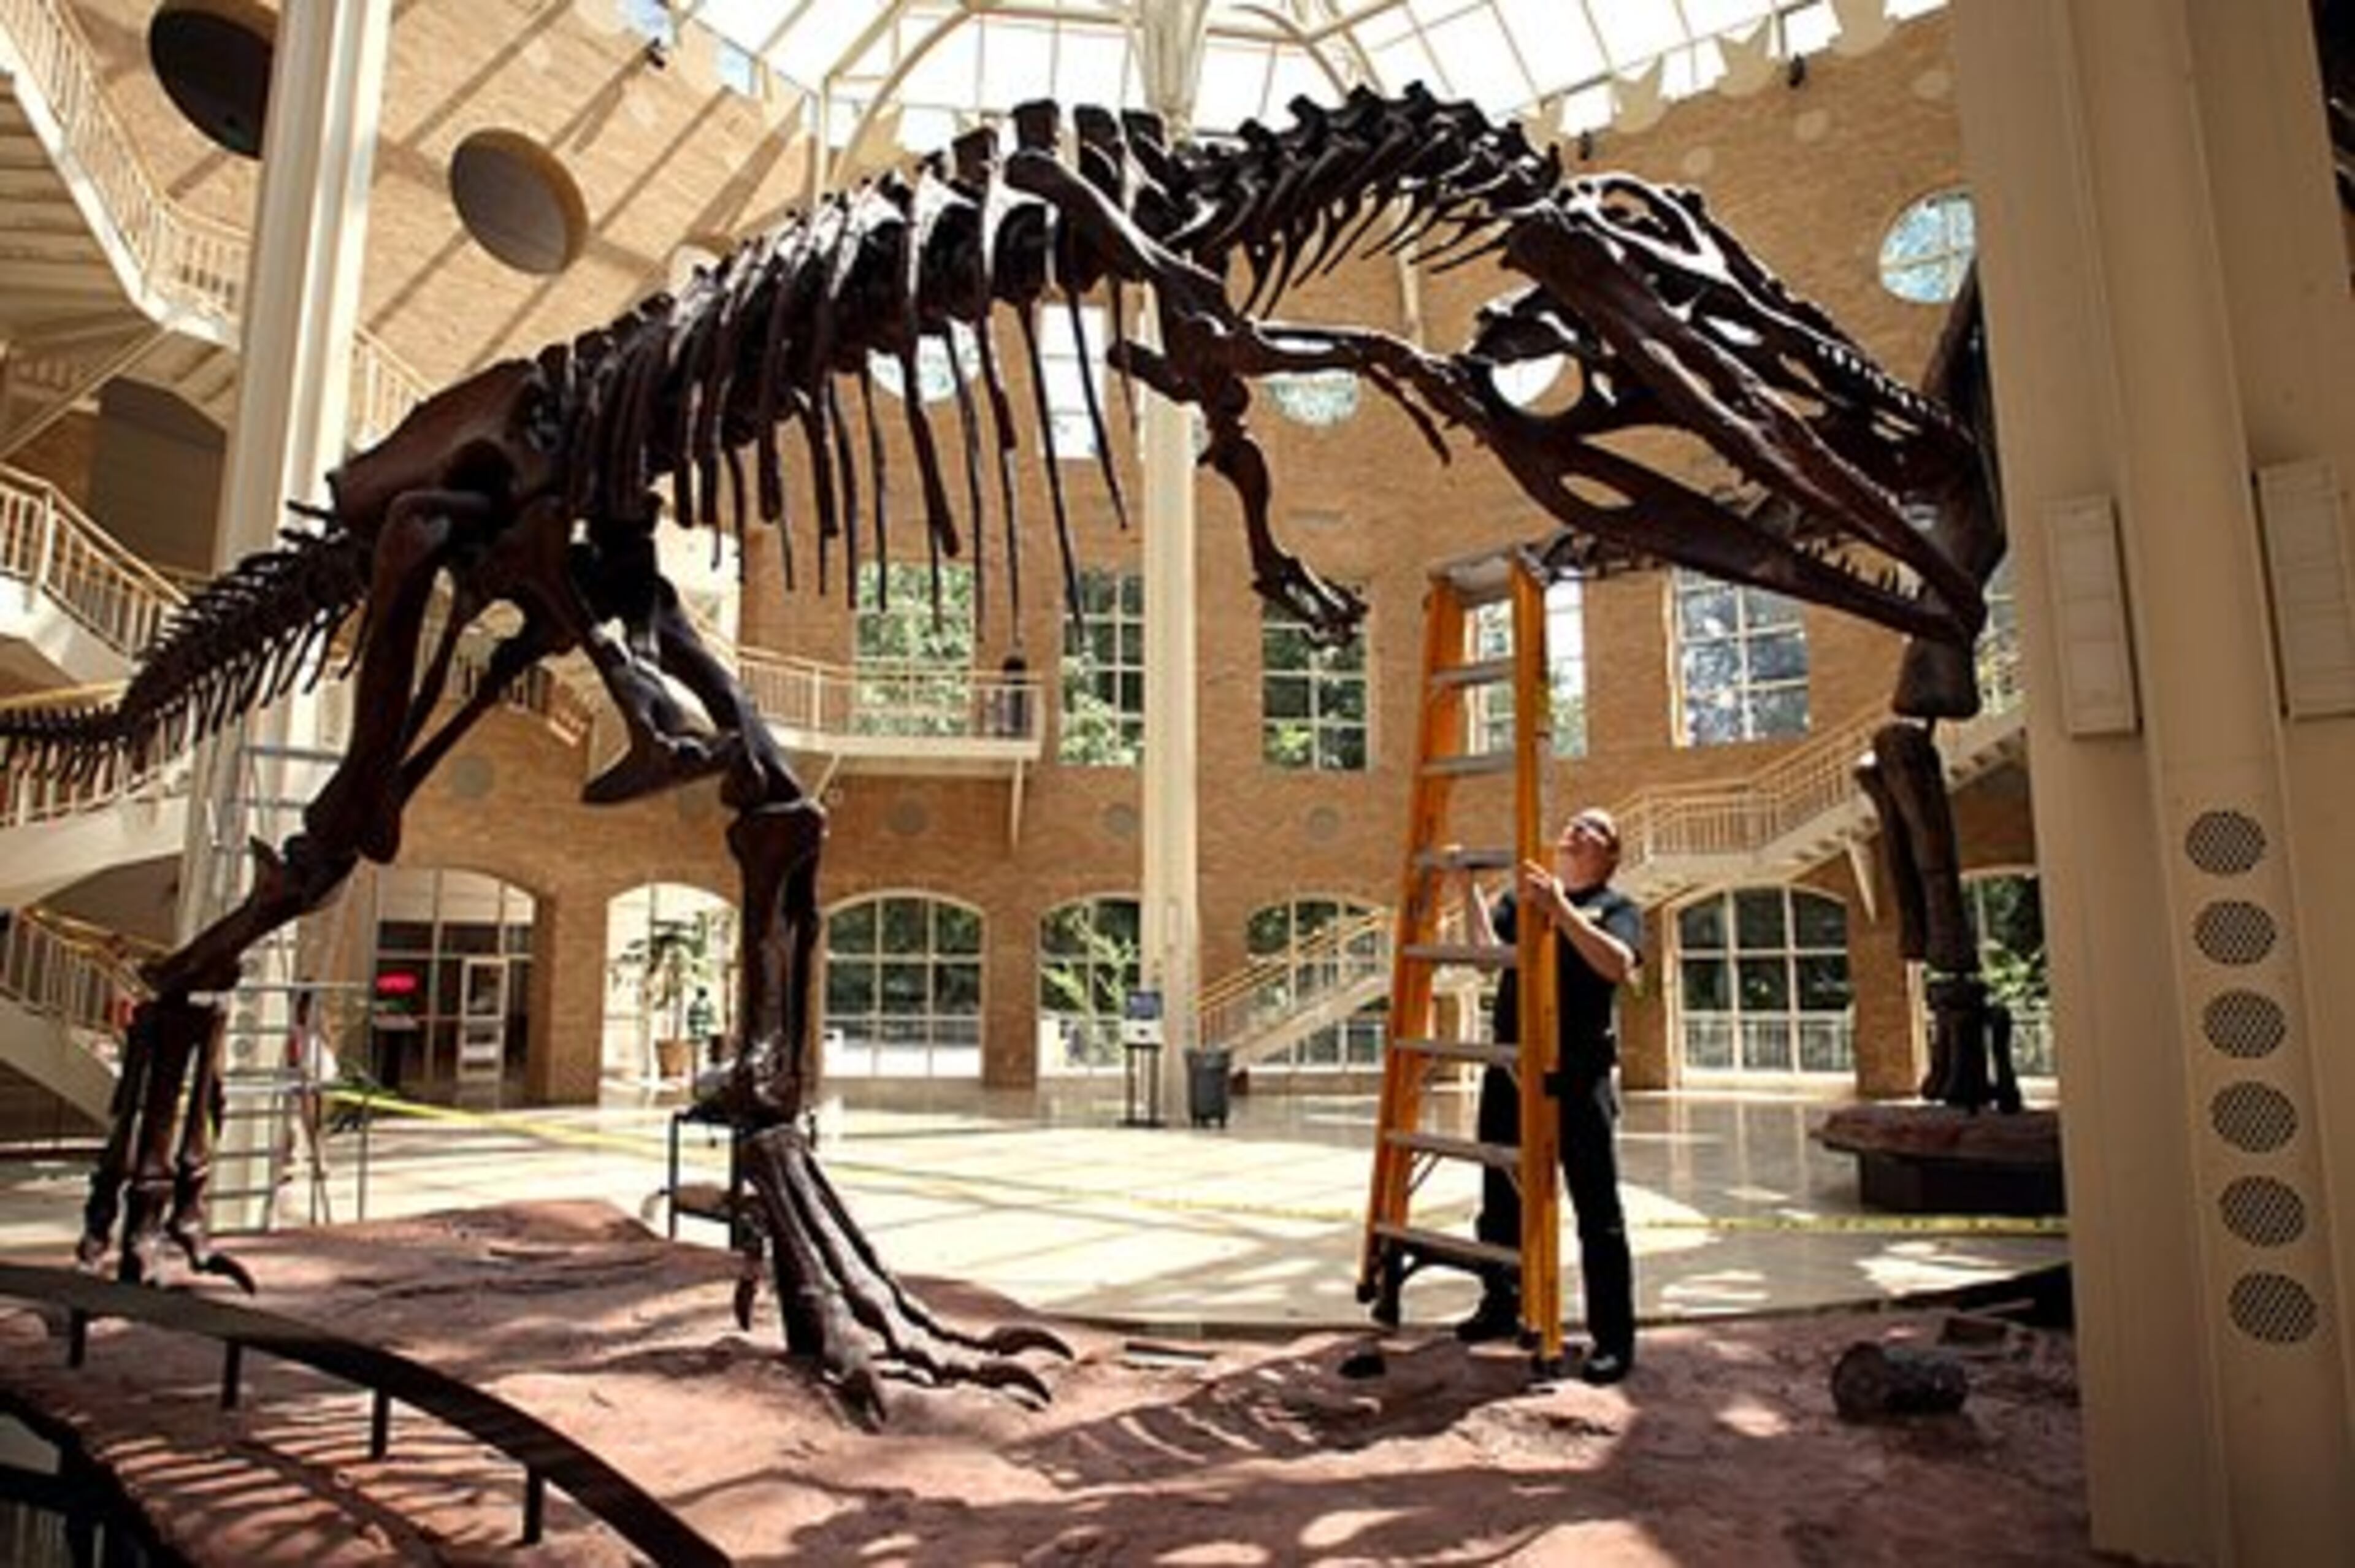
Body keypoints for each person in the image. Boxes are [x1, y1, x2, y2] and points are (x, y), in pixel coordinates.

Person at [1457, 807, 1644, 1386]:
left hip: (1578, 1074)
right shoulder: (1522, 902)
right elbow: (1489, 956)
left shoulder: (1617, 910)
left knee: (1597, 1208)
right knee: (1501, 1195)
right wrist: (1467, 888)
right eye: (1575, 823)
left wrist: (1559, 909)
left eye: (1594, 828)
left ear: (1610, 853)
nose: (1577, 830)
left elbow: (1616, 965)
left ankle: (1612, 1338)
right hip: (1514, 1070)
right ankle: (1501, 1301)